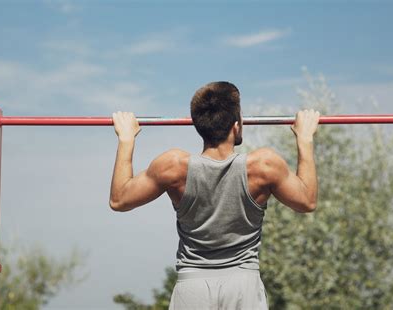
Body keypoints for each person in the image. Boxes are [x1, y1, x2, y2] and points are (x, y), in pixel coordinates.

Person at [109, 81, 320, 309]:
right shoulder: (264, 166)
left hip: (193, 286)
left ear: (199, 125)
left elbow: (119, 199)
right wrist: (305, 139)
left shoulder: (173, 166)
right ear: (236, 126)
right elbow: (307, 200)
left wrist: (126, 139)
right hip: (243, 286)